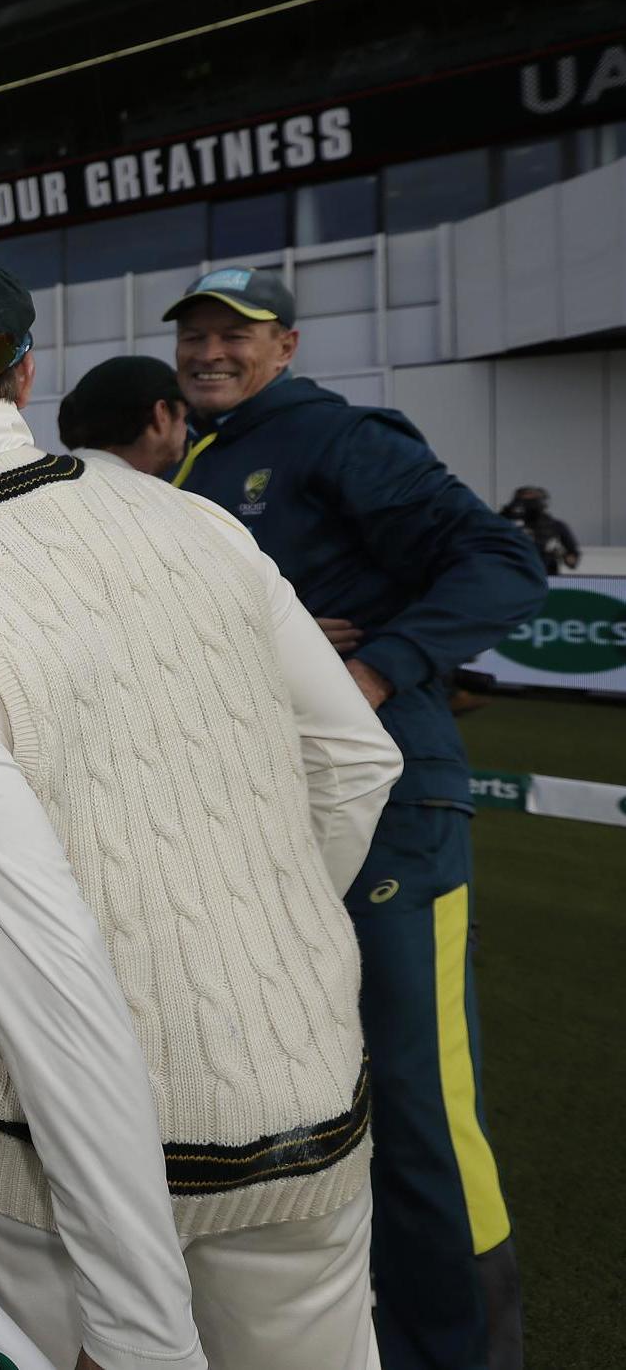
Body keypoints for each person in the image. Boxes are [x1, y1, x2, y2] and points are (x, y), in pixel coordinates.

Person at [0, 250, 402, 1370]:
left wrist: (138, 1336)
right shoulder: (194, 521)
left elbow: (42, 967)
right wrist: (231, 951)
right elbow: (354, 761)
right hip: (302, 1108)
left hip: (23, 1166)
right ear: (24, 376)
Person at [166, 264, 548, 1370]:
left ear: (283, 345)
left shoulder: (330, 435)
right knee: (305, 1085)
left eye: (233, 334)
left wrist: (376, 668)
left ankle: (464, 1351)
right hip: (269, 810)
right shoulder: (204, 458)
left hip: (386, 802)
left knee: (417, 1103)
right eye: (194, 332)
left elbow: (500, 560)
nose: (209, 350)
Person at [56, 354, 187, 477]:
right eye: (185, 418)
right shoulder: (156, 498)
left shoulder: (44, 481)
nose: (187, 431)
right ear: (161, 415)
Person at [499, 486, 580, 576]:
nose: (528, 504)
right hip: (512, 576)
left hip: (546, 578)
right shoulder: (504, 524)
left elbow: (572, 562)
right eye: (525, 499)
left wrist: (560, 552)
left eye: (532, 499)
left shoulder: (555, 526)